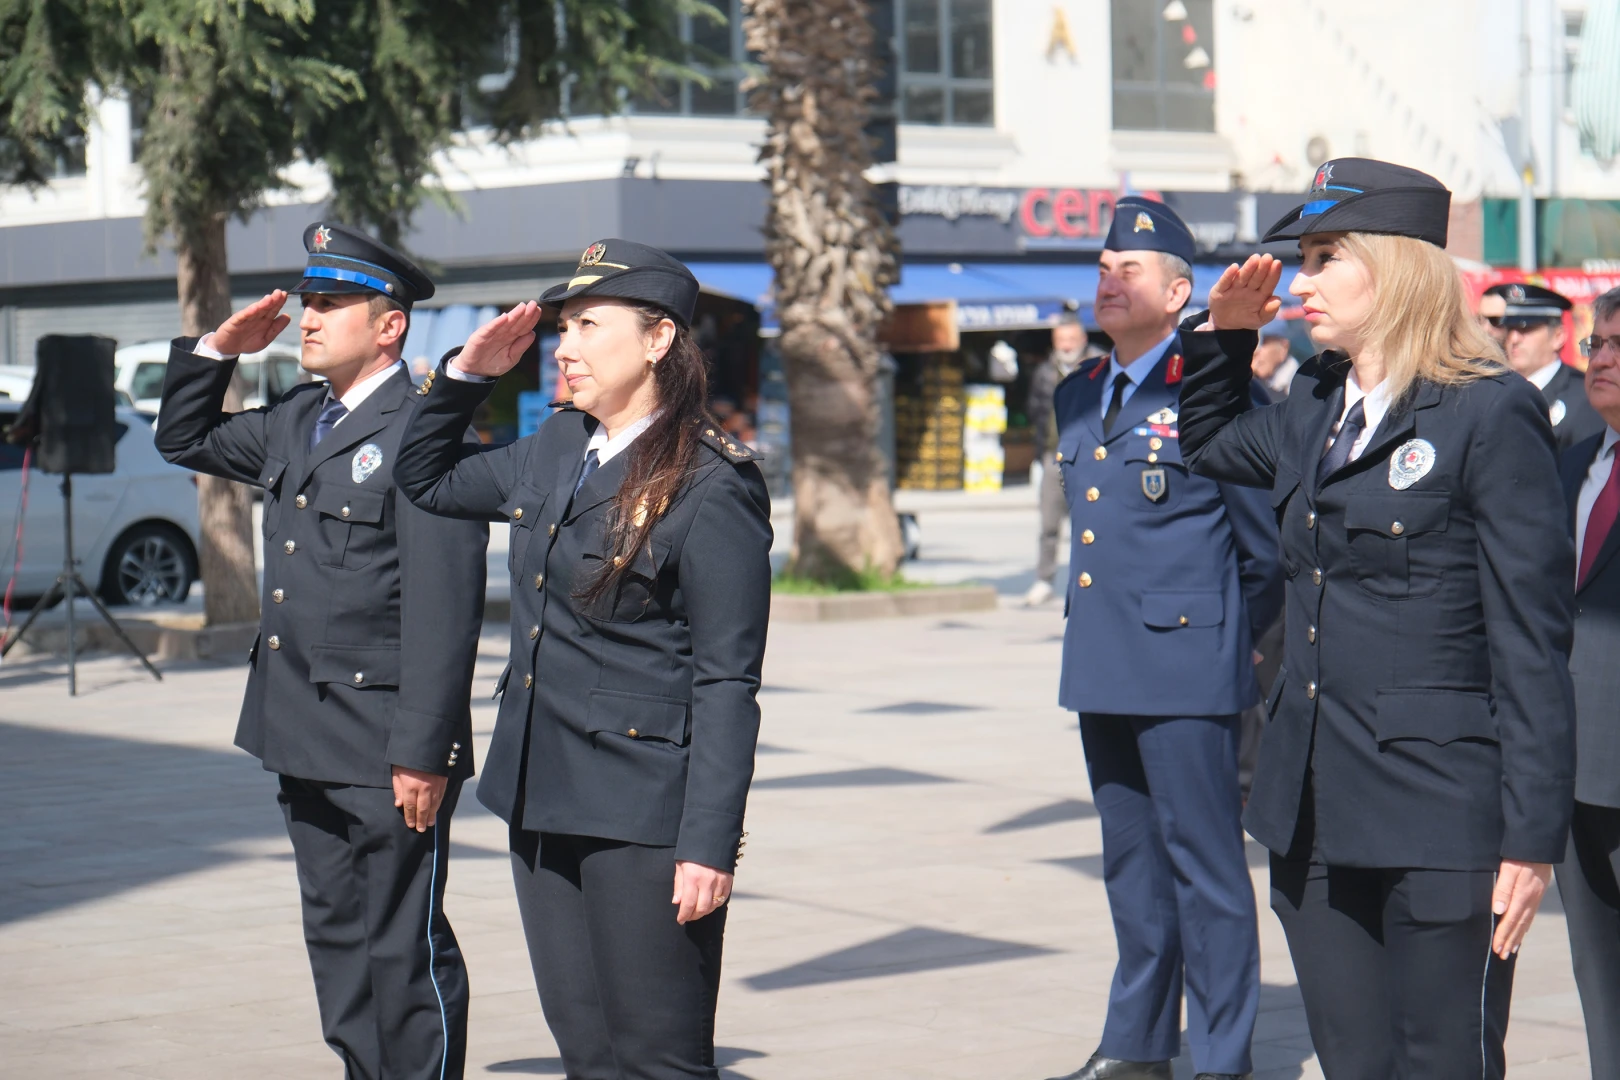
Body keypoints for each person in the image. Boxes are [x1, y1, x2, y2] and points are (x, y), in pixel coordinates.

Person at [1178, 158, 1576, 1079]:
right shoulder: (1317, 398)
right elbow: (1205, 444)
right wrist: (1224, 340)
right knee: (1352, 1060)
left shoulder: (1488, 411)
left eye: (1323, 257)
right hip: (1313, 808)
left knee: (1441, 1059)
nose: (1301, 281)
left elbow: (1530, 636)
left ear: (1394, 266)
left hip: (1442, 815)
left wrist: (1531, 834)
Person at [391, 239, 772, 1080]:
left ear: (658, 340)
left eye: (588, 324)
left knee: (657, 1060)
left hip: (642, 818)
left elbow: (727, 681)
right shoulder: (559, 446)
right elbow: (425, 482)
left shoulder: (712, 483)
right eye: (564, 326)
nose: (565, 346)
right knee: (587, 1052)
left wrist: (708, 843)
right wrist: (465, 376)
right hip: (541, 796)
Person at [155, 223, 489, 1080]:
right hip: (301, 729)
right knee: (337, 939)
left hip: (386, 744)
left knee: (401, 946)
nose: (308, 317)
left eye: (330, 304)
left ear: (390, 327)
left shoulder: (424, 431)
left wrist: (427, 747)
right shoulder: (296, 419)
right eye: (308, 302)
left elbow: (445, 611)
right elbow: (184, 439)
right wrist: (216, 351)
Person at [1042, 197, 1283, 1080]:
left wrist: (1225, 648)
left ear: (1181, 292)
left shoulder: (1215, 391)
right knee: (1132, 870)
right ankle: (1138, 1043)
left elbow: (1264, 554)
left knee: (1209, 875)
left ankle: (1222, 1057)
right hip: (1103, 663)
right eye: (1102, 266)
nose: (1108, 278)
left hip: (1188, 666)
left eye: (1129, 269)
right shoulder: (1079, 393)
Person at [1555, 285, 1620, 1078]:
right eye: (1594, 344)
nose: (1598, 359)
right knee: (1598, 974)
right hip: (1569, 764)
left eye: (1614, 345)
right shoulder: (1572, 461)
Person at [1482, 281, 1605, 451]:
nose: (1514, 339)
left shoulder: (1584, 398)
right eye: (1509, 329)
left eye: (1526, 329)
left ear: (1558, 336)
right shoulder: (1498, 391)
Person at [1025, 314, 1088, 606]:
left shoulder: (1100, 365)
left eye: (1071, 339)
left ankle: (1088, 582)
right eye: (1061, 340)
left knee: (1089, 522)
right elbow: (1036, 413)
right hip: (1053, 455)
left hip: (1089, 455)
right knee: (1049, 523)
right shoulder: (1044, 372)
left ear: (1082, 340)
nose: (1066, 345)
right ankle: (1044, 580)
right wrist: (1039, 456)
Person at [1249, 327, 1297, 403]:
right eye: (1252, 341)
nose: (1255, 351)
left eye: (1262, 343)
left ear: (1283, 348)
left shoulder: (1301, 390)